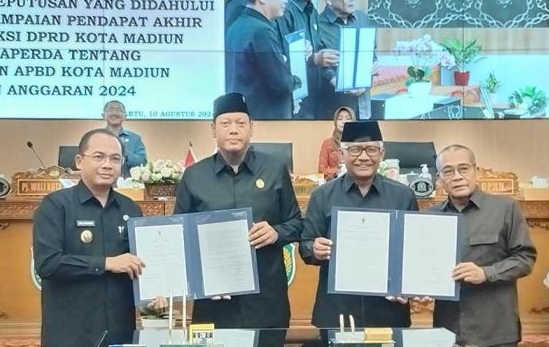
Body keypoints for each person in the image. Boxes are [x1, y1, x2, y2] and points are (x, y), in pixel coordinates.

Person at [174, 92, 303, 329]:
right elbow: (180, 237)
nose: (233, 130)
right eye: (225, 123)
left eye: (241, 123)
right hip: (215, 299)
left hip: (266, 298)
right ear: (213, 129)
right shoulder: (194, 176)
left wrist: (276, 233)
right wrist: (200, 280)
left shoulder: (274, 169)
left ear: (251, 127)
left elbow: (296, 223)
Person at [33, 129, 166, 347]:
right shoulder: (56, 206)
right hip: (70, 332)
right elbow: (48, 264)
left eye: (115, 159)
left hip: (120, 329)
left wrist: (154, 290)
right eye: (98, 156)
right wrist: (106, 263)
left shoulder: (130, 208)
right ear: (79, 161)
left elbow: (140, 263)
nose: (107, 164)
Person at [300, 120, 418, 330]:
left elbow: (414, 252)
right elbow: (305, 245)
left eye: (371, 149)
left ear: (382, 154)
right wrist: (314, 249)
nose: (363, 157)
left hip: (387, 309)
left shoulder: (403, 196)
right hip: (337, 309)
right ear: (341, 154)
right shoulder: (322, 195)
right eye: (355, 150)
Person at [430, 144, 537, 347]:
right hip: (448, 330)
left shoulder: (505, 208)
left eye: (463, 168)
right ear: (439, 179)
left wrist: (486, 273)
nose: (457, 176)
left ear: (476, 171)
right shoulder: (432, 218)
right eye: (448, 171)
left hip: (496, 330)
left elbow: (525, 258)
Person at [226, 0, 302, 119]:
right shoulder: (262, 31)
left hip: (245, 115)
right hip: (266, 121)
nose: (286, 1)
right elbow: (281, 83)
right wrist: (297, 81)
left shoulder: (237, 25)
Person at [275, 0, 340, 119]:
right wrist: (314, 59)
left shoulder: (313, 11)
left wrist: (332, 76)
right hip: (296, 102)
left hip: (317, 99)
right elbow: (283, 58)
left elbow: (319, 48)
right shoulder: (284, 11)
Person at [316, 0, 379, 120]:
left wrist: (375, 63)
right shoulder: (318, 25)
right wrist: (334, 80)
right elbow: (314, 65)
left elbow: (372, 51)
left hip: (363, 107)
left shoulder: (362, 18)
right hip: (335, 110)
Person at [102, 100, 147, 178]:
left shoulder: (135, 139)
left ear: (125, 116)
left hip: (127, 186)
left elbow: (142, 163)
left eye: (119, 110)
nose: (115, 113)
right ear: (103, 116)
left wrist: (122, 150)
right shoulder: (96, 137)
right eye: (111, 109)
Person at [317, 106, 356, 181]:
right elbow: (321, 169)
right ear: (335, 122)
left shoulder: (359, 143)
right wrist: (337, 171)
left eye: (348, 119)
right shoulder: (328, 143)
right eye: (340, 119)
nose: (343, 122)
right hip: (334, 183)